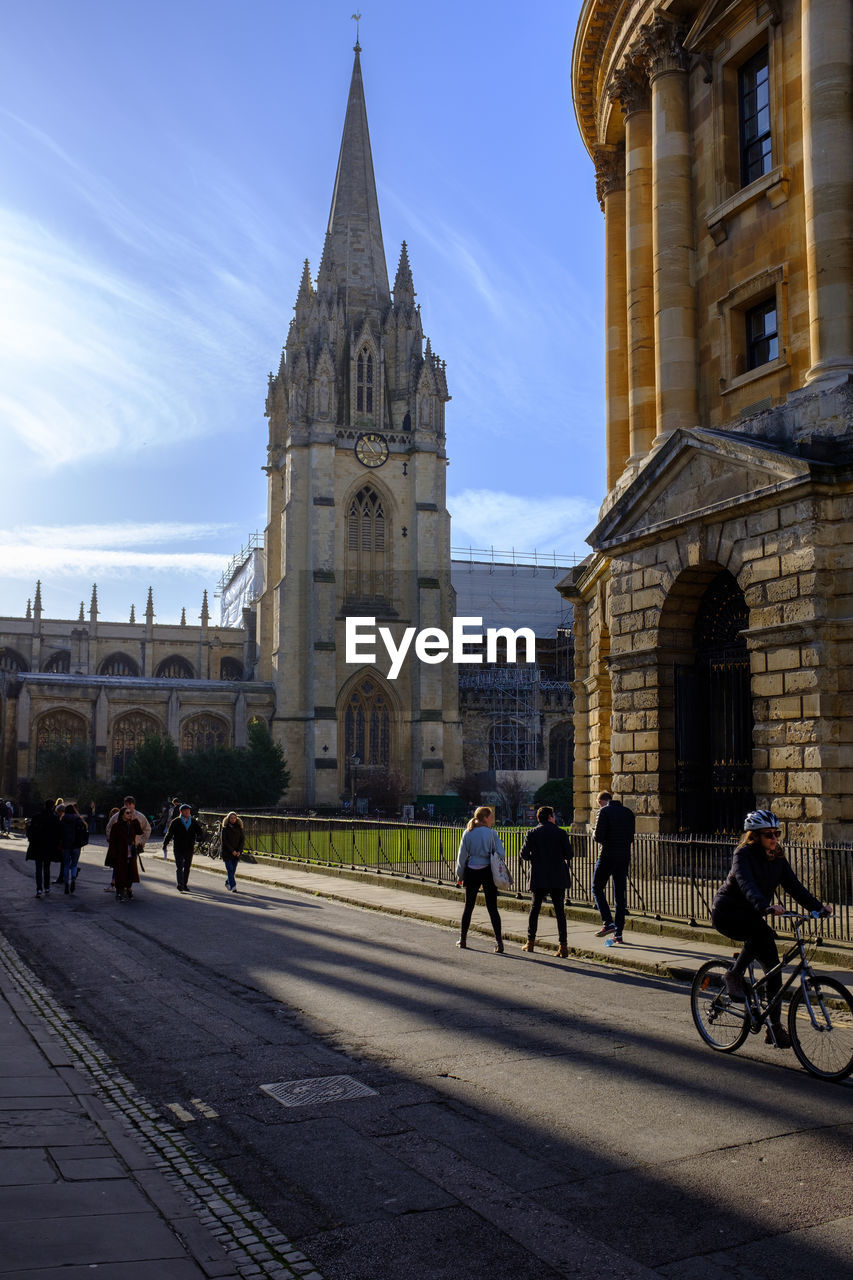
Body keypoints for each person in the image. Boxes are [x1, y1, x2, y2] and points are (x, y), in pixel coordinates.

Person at [712, 810, 832, 1049]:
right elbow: (746, 884)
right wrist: (765, 905)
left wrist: (819, 908)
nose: (774, 839)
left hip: (754, 915)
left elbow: (795, 887)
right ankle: (733, 974)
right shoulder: (743, 855)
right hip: (728, 913)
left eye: (777, 833)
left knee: (774, 969)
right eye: (768, 835)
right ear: (754, 836)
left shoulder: (777, 858)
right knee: (761, 935)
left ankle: (774, 1027)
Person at [519, 805, 573, 958]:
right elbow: (569, 854)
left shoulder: (532, 833)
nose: (554, 818)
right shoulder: (561, 833)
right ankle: (563, 946)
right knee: (560, 911)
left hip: (539, 874)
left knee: (535, 909)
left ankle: (530, 942)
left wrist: (535, 858)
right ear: (550, 817)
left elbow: (524, 854)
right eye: (553, 815)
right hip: (557, 874)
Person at [454, 805, 504, 953]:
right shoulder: (491, 834)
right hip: (487, 870)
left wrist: (460, 874)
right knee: (492, 908)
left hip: (471, 870)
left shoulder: (467, 833)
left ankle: (463, 939)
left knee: (468, 906)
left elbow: (461, 857)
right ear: (485, 818)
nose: (492, 819)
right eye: (491, 817)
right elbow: (501, 853)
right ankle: (499, 942)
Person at [592, 790, 635, 946]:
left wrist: (594, 832)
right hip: (623, 856)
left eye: (599, 803)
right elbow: (631, 837)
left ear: (603, 801)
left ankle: (608, 921)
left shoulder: (604, 811)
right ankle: (618, 934)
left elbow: (598, 837)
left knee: (596, 888)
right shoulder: (628, 812)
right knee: (620, 896)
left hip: (607, 855)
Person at [163, 803, 205, 893]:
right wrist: (165, 844)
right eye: (185, 811)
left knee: (187, 867)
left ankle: (184, 884)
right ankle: (180, 884)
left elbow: (200, 832)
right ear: (181, 812)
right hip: (178, 847)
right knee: (179, 866)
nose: (187, 812)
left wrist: (199, 838)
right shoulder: (176, 821)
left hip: (189, 847)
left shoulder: (193, 821)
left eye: (188, 811)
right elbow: (169, 834)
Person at [106, 804, 144, 902]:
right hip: (120, 852)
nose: (129, 814)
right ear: (122, 814)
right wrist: (113, 854)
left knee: (130, 871)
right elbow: (113, 841)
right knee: (120, 872)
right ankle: (119, 891)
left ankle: (128, 889)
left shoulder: (132, 824)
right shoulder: (116, 826)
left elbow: (139, 832)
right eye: (127, 813)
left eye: (130, 813)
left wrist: (135, 820)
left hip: (131, 851)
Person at [26, 799, 61, 897]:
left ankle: (39, 889)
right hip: (49, 846)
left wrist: (31, 840)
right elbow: (58, 833)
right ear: (53, 806)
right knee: (46, 867)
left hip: (37, 845)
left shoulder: (37, 816)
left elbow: (31, 830)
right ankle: (46, 887)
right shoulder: (54, 818)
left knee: (38, 868)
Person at [58, 802, 88, 894]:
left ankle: (66, 883)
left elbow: (60, 832)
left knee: (66, 865)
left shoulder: (63, 819)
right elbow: (84, 830)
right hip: (76, 845)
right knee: (74, 864)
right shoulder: (78, 819)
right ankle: (73, 879)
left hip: (66, 845)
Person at [221, 811, 245, 891]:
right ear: (228, 819)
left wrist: (239, 851)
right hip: (227, 852)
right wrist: (232, 851)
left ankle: (228, 882)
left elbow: (242, 840)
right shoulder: (225, 828)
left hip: (237, 853)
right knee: (230, 869)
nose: (233, 819)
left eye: (234, 818)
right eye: (231, 818)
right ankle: (233, 886)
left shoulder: (239, 828)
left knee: (233, 870)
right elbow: (225, 841)